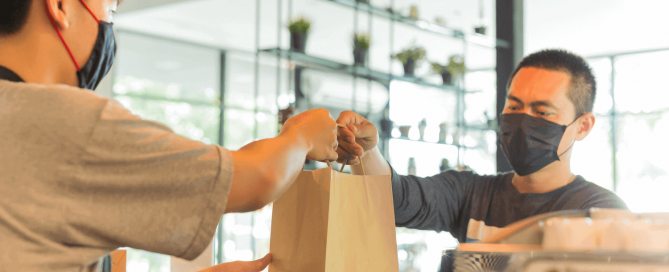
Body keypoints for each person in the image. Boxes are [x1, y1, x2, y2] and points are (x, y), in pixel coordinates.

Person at [0, 0, 339, 271]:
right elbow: (259, 177)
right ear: (59, 6)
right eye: (110, 9)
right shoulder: (66, 121)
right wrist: (303, 134)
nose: (108, 26)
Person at [336, 49, 628, 244]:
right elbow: (396, 200)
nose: (523, 121)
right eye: (514, 106)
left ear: (583, 126)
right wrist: (366, 150)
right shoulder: (469, 193)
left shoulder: (600, 214)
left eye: (542, 112)